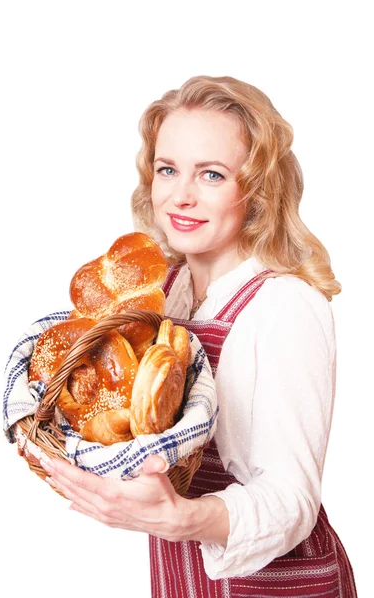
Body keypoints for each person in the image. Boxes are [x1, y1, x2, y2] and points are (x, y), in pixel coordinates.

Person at [40, 75, 358, 597]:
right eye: (168, 170)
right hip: (182, 577)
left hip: (281, 584)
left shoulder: (285, 306)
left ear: (256, 189)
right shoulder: (160, 294)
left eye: (212, 174)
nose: (180, 197)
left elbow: (292, 501)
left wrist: (179, 520)